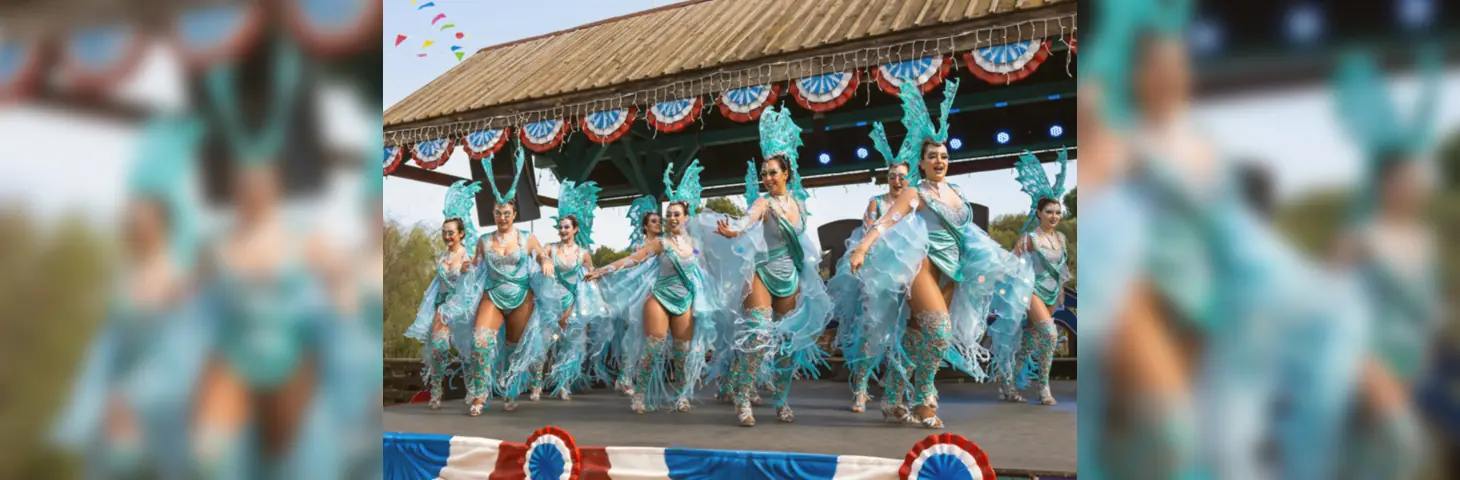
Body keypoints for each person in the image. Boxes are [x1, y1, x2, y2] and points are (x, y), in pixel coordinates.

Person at [848, 79, 1035, 429]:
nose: (940, 160)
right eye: (932, 156)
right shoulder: (914, 193)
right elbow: (887, 222)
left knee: (917, 335)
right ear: (920, 163)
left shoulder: (959, 192)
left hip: (954, 269)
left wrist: (1000, 259)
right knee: (939, 332)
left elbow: (968, 232)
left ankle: (893, 395)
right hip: (922, 266)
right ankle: (923, 399)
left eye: (944, 156)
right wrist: (861, 248)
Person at [52, 116, 204, 479]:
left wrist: (132, 399)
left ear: (163, 217)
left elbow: (183, 354)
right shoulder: (125, 277)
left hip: (163, 409)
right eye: (131, 206)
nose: (131, 215)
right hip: (114, 413)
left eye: (141, 207)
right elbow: (105, 351)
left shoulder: (180, 279)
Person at [710, 106, 834, 426]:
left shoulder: (800, 206)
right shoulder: (763, 202)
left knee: (788, 345)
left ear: (786, 174)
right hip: (762, 272)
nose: (767, 178)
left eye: (772, 173)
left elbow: (805, 245)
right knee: (758, 337)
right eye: (764, 174)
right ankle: (743, 396)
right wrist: (734, 230)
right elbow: (748, 220)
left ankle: (781, 399)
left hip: (789, 276)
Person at [587, 160, 727, 414]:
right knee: (653, 347)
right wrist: (603, 269)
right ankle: (639, 394)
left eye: (677, 214)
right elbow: (632, 260)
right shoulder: (661, 243)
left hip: (685, 300)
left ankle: (682, 395)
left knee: (682, 353)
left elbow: (705, 267)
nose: (672, 218)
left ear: (686, 218)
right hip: (660, 297)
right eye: (669, 215)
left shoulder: (696, 244)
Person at [440, 145, 566, 415]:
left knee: (514, 347)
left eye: (507, 213)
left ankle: (510, 389)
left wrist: (545, 261)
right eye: (497, 213)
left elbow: (542, 254)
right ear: (493, 214)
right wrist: (466, 268)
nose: (502, 217)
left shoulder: (525, 238)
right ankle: (480, 394)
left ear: (514, 214)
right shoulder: (485, 241)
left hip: (521, 296)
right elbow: (474, 266)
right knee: (480, 341)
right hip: (493, 294)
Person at [827, 131, 916, 414]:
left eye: (902, 176)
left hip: (906, 276)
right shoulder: (876, 203)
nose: (897, 181)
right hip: (876, 274)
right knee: (870, 331)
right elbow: (869, 234)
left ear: (909, 177)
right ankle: (862, 388)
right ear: (887, 178)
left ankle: (897, 390)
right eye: (893, 176)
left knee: (904, 334)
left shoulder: (915, 205)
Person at [997, 149, 1072, 406]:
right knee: (1050, 335)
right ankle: (1044, 388)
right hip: (1033, 291)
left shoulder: (1061, 238)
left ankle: (1007, 383)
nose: (1054, 216)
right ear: (1039, 213)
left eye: (1058, 213)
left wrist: (1062, 289)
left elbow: (1062, 267)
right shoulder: (1030, 238)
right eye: (1049, 212)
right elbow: (1012, 262)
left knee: (1029, 342)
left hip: (1052, 292)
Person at [402, 181, 479, 411]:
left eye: (451, 233)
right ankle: (436, 390)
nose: (447, 236)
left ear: (461, 234)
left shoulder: (468, 254)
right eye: (444, 233)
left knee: (469, 351)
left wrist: (469, 270)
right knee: (438, 348)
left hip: (463, 307)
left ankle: (475, 391)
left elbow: (476, 277)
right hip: (443, 305)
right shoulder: (443, 256)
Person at [538, 181, 611, 401]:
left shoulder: (583, 253)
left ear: (575, 230)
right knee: (548, 341)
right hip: (551, 299)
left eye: (566, 227)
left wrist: (599, 299)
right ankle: (538, 382)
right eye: (560, 227)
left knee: (572, 342)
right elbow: (539, 256)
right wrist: (543, 259)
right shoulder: (550, 247)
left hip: (573, 298)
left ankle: (563, 383)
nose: (562, 230)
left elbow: (592, 277)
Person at [611, 197, 662, 394]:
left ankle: (634, 377)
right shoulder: (641, 246)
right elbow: (633, 269)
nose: (658, 224)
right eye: (653, 222)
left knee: (650, 338)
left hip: (659, 292)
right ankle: (625, 378)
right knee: (636, 336)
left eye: (659, 221)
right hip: (642, 293)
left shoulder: (663, 243)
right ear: (645, 226)